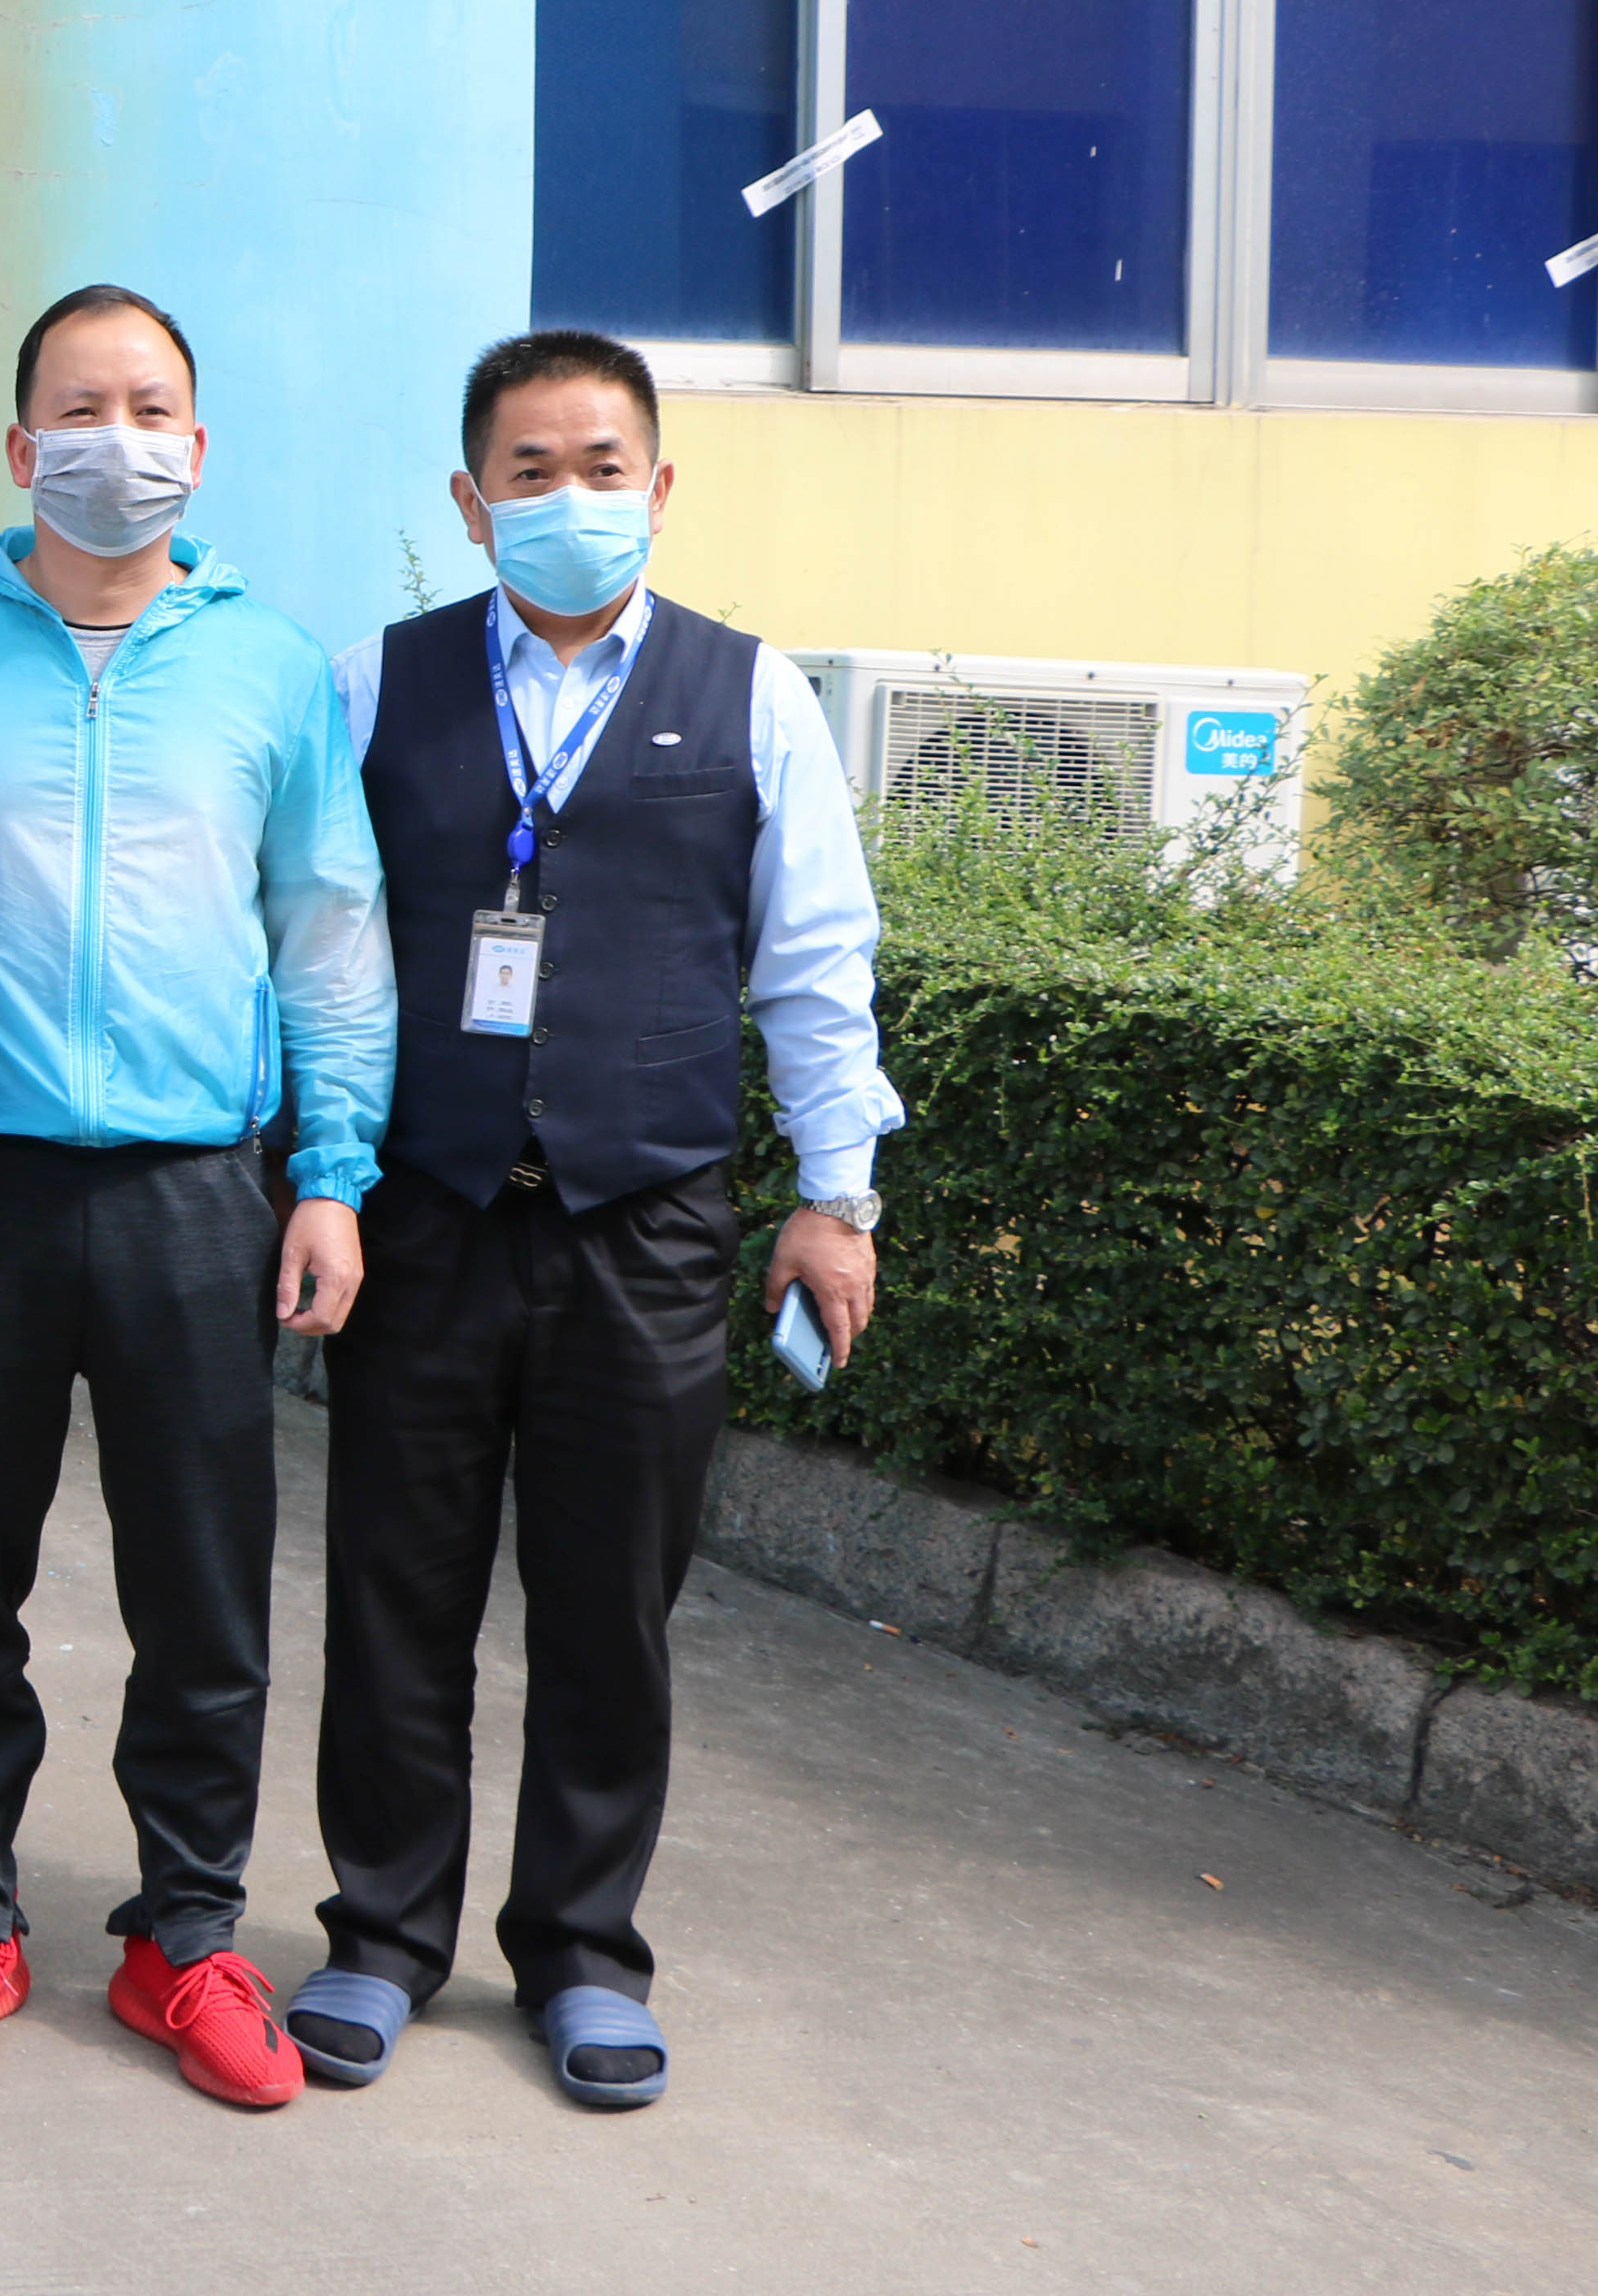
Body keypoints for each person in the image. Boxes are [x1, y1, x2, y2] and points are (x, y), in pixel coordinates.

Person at [301, 327, 899, 2111]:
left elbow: (816, 961)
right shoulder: (373, 683)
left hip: (645, 1225)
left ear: (660, 484)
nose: (572, 496)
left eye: (603, 465)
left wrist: (836, 1197)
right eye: (532, 470)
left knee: (610, 1608)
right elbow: (322, 946)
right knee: (395, 1595)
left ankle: (580, 1950)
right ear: (471, 498)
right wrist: (321, 1171)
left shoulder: (752, 694)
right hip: (427, 1214)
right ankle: (381, 1933)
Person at [0, 286, 390, 2114]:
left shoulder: (270, 669)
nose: (118, 440)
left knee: (204, 1583)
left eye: (151, 408)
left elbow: (330, 931)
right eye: (80, 409)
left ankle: (188, 1933)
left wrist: (331, 1172)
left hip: (194, 1189)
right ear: (20, 449)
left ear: (199, 445)